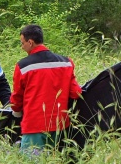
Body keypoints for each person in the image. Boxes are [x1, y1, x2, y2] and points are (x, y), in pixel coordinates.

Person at [10, 24, 82, 152]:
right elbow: (76, 93)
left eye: (22, 43)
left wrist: (16, 112)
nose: (22, 47)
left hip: (34, 126)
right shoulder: (66, 62)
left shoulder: (22, 66)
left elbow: (16, 99)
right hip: (60, 126)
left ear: (30, 42)